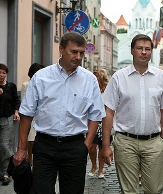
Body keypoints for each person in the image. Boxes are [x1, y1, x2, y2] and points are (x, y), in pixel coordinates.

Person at [13, 32, 106, 194]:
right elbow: (27, 114)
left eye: (82, 53)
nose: (78, 57)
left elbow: (95, 115)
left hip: (75, 146)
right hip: (44, 146)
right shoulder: (41, 77)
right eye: (74, 52)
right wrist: (21, 149)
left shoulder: (89, 80)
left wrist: (86, 145)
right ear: (61, 49)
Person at [101, 34, 163, 193]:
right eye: (139, 48)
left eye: (147, 49)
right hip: (126, 141)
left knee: (154, 189)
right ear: (132, 50)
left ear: (151, 52)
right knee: (129, 191)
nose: (143, 52)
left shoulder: (161, 77)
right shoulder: (119, 77)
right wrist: (105, 145)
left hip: (153, 141)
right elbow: (108, 111)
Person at [20, 63, 44, 166]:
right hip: (31, 116)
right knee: (31, 141)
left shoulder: (45, 84)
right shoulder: (26, 85)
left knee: (37, 140)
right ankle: (30, 158)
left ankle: (39, 158)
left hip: (41, 116)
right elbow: (23, 102)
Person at [87, 68, 110, 179]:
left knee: (102, 146)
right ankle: (94, 165)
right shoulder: (90, 89)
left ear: (101, 77)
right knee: (91, 146)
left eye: (97, 76)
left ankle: (101, 170)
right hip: (92, 121)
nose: (95, 78)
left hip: (104, 121)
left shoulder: (107, 91)